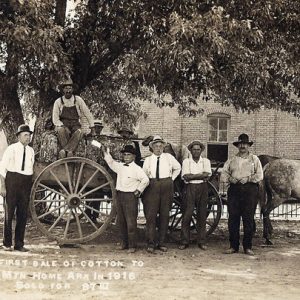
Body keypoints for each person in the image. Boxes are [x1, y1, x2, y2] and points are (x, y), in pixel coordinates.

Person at [221, 133, 263, 256]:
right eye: (240, 144)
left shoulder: (254, 159)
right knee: (233, 218)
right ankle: (233, 246)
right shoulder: (231, 160)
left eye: (245, 144)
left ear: (248, 146)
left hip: (250, 191)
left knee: (248, 218)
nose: (242, 146)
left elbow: (260, 175)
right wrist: (230, 179)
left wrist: (249, 179)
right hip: (234, 190)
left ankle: (247, 247)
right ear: (237, 146)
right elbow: (223, 174)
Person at [103, 144, 149, 253]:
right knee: (121, 221)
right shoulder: (120, 166)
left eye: (129, 155)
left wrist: (138, 190)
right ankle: (124, 243)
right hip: (120, 195)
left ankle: (132, 245)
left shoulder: (137, 169)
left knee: (131, 222)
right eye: (125, 155)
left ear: (133, 157)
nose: (126, 157)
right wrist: (106, 152)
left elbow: (145, 180)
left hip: (130, 197)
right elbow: (111, 163)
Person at [142, 135, 181, 253]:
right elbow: (144, 174)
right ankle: (151, 243)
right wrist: (150, 182)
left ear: (163, 147)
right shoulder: (148, 160)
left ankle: (162, 243)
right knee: (151, 216)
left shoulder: (169, 157)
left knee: (164, 215)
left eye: (160, 146)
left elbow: (178, 168)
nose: (158, 149)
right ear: (152, 148)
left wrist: (171, 179)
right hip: (152, 186)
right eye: (156, 146)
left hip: (166, 186)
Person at [0, 124, 35, 252]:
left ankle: (19, 244)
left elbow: (32, 169)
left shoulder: (31, 151)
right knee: (9, 214)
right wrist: (2, 186)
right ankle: (7, 244)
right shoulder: (11, 149)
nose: (28, 138)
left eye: (29, 135)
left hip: (25, 183)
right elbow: (2, 168)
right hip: (12, 181)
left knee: (22, 215)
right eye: (25, 135)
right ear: (19, 136)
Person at [179, 140, 212, 250]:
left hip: (203, 188)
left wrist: (193, 176)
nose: (196, 152)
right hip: (190, 188)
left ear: (201, 151)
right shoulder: (186, 162)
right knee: (187, 215)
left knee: (202, 215)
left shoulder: (206, 161)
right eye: (194, 150)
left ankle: (201, 241)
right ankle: (184, 241)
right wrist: (200, 175)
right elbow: (185, 177)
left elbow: (207, 175)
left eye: (198, 149)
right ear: (191, 151)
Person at [52, 78, 95, 158]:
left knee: (80, 132)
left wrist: (92, 127)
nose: (68, 91)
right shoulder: (58, 102)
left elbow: (87, 113)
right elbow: (55, 119)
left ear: (73, 89)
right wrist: (63, 126)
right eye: (66, 88)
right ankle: (70, 151)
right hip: (63, 125)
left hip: (75, 125)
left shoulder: (78, 100)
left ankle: (65, 151)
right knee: (60, 130)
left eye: (70, 88)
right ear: (63, 90)